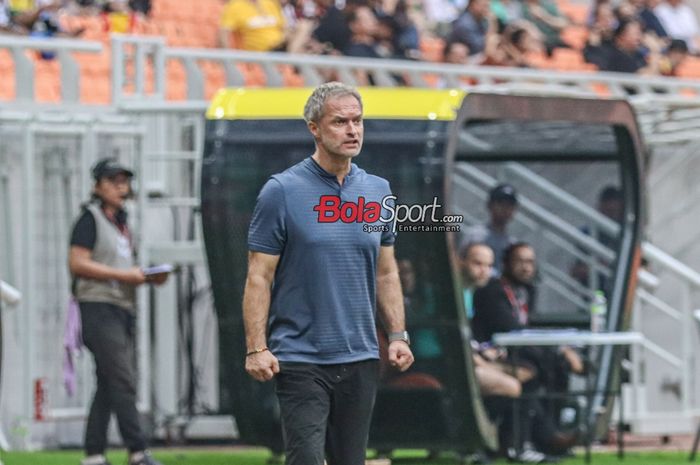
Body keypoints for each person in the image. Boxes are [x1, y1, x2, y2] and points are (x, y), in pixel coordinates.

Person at [243, 82, 414, 465]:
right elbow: (258, 276)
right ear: (314, 128)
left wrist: (398, 335)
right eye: (340, 122)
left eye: (357, 121)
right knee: (305, 459)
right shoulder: (281, 191)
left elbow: (386, 273)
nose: (352, 130)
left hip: (362, 356)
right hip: (301, 357)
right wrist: (257, 347)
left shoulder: (377, 190)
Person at [69, 158, 169, 465]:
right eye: (112, 181)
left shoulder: (123, 224)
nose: (119, 186)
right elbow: (78, 263)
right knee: (123, 378)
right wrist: (125, 276)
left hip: (122, 307)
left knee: (110, 381)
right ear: (97, 186)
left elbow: (124, 266)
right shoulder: (89, 219)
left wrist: (148, 276)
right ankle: (138, 451)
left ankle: (94, 455)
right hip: (98, 306)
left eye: (123, 181)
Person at [462, 183, 519, 276]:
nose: (505, 209)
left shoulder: (512, 244)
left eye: (510, 205)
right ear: (490, 205)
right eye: (501, 203)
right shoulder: (475, 235)